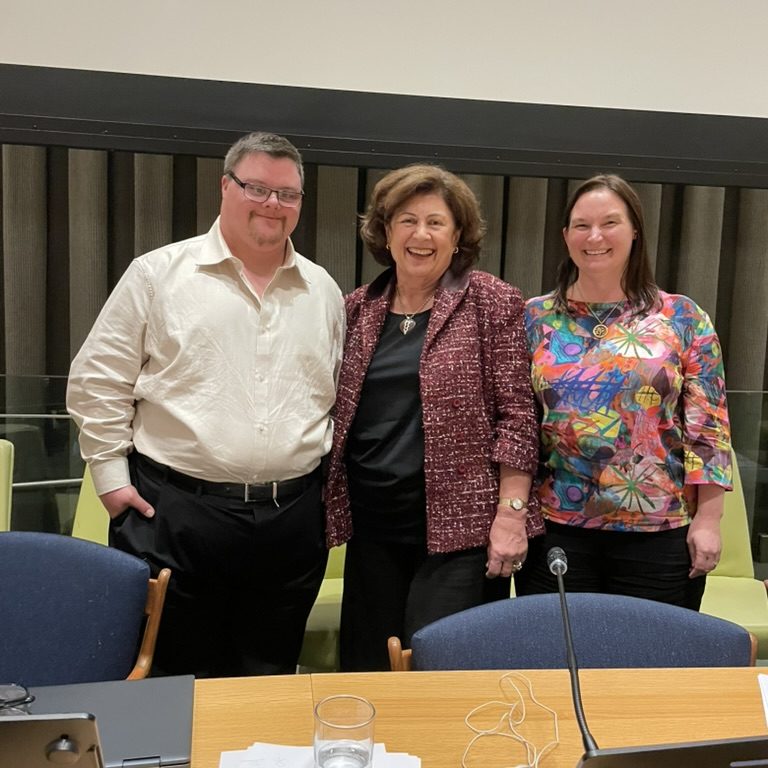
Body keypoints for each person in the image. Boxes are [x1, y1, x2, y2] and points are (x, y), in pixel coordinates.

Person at [67, 132, 345, 677]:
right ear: (225, 187)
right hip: (176, 513)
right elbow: (98, 377)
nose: (272, 204)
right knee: (175, 676)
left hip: (291, 522)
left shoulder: (323, 291)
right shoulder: (159, 275)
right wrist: (110, 477)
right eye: (256, 188)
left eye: (287, 194)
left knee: (269, 675)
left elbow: (332, 394)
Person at [324, 164, 543, 671]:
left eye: (435, 222)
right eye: (406, 220)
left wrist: (511, 516)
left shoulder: (491, 301)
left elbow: (518, 416)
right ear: (385, 231)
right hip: (373, 530)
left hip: (459, 536)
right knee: (368, 672)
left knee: (441, 676)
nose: (420, 235)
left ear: (458, 234)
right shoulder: (357, 308)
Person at [516, 174, 731, 610]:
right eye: (581, 225)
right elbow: (517, 427)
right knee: (560, 668)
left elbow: (709, 430)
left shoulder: (682, 317)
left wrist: (708, 520)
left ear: (635, 230)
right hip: (556, 532)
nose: (595, 236)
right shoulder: (533, 318)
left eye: (610, 223)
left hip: (661, 535)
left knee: (649, 673)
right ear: (565, 236)